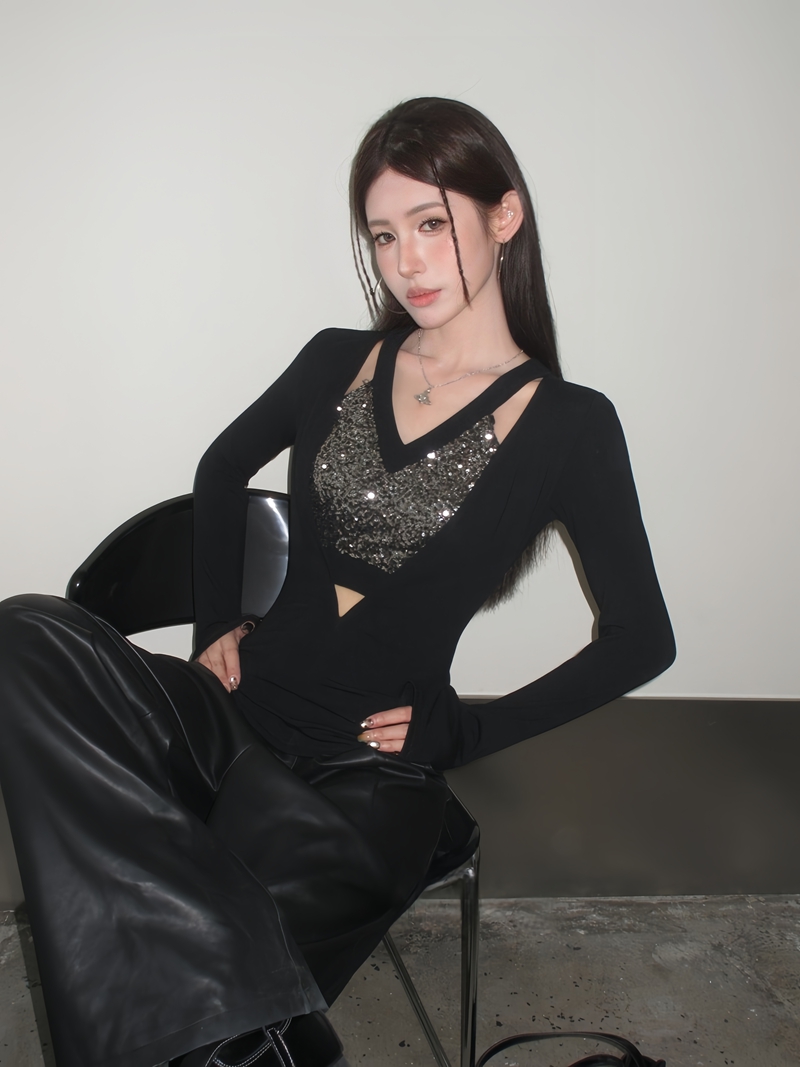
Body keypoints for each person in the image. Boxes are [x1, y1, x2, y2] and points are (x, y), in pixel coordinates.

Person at [0, 97, 675, 1067]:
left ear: (504, 215)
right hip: (229, 716)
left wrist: (468, 731)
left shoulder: (570, 425)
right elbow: (220, 470)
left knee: (207, 988)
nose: (406, 263)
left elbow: (643, 639)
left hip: (363, 778)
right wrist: (217, 625)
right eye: (384, 235)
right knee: (26, 634)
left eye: (431, 224)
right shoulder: (335, 359)